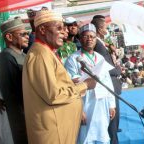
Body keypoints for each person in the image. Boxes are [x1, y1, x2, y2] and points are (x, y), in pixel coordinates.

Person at [22, 10, 96, 144]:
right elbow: (53, 95)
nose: (65, 32)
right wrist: (84, 85)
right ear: (43, 29)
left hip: (58, 130)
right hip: (54, 133)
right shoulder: (40, 54)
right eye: (59, 28)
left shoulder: (45, 52)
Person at [65, 23, 116, 144]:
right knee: (85, 138)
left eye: (92, 37)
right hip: (85, 104)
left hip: (102, 103)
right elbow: (73, 84)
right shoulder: (73, 59)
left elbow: (108, 82)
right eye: (86, 36)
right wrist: (79, 110)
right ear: (80, 38)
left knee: (103, 136)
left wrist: (111, 104)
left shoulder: (100, 57)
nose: (89, 39)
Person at [0, 18, 29, 143]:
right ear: (9, 37)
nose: (27, 37)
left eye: (27, 34)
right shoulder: (6, 58)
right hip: (20, 119)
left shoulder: (23, 55)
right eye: (23, 34)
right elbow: (13, 95)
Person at [92, 15, 122, 144]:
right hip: (109, 85)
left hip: (112, 84)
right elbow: (106, 67)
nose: (107, 29)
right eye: (106, 27)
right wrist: (119, 70)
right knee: (112, 119)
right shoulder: (98, 45)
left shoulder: (102, 43)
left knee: (114, 120)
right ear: (99, 29)